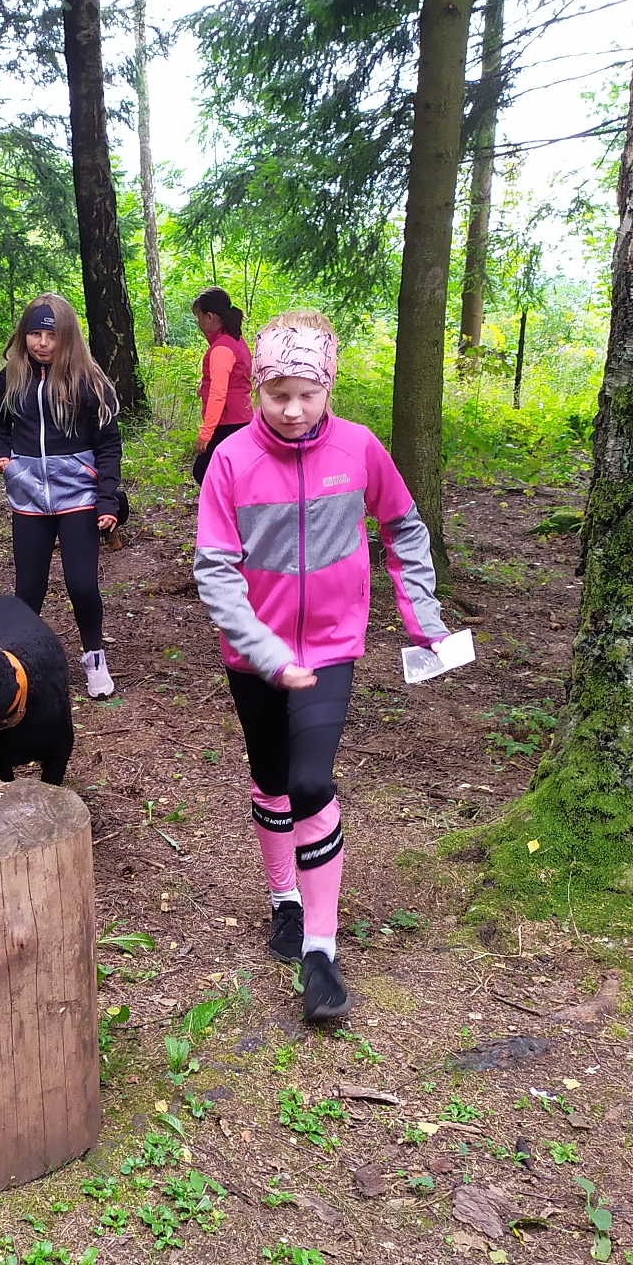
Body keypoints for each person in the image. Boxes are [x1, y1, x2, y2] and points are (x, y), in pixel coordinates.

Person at [193, 307, 448, 1022]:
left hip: (331, 646)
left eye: (308, 394)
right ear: (259, 390)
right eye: (278, 394)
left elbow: (402, 525)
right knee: (272, 777)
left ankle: (321, 950)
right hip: (254, 653)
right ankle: (284, 900)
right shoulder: (232, 460)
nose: (293, 409)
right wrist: (266, 651)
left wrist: (422, 616)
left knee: (310, 781)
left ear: (329, 385)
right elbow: (214, 569)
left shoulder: (359, 449)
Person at [0, 293, 122, 699]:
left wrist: (107, 499)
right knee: (29, 589)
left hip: (77, 495)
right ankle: (18, 663)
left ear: (68, 337)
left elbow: (109, 444)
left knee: (81, 584)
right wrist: (3, 454)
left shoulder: (88, 380)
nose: (42, 343)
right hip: (28, 495)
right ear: (23, 335)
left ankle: (94, 657)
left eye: (51, 335)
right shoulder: (11, 377)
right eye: (35, 334)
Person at [190, 286, 255, 486]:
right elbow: (235, 379)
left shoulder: (222, 348)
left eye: (199, 317)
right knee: (232, 474)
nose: (198, 323)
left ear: (210, 317)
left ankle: (225, 504)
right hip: (242, 419)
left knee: (203, 471)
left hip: (228, 424)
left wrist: (206, 433)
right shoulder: (236, 340)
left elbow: (219, 393)